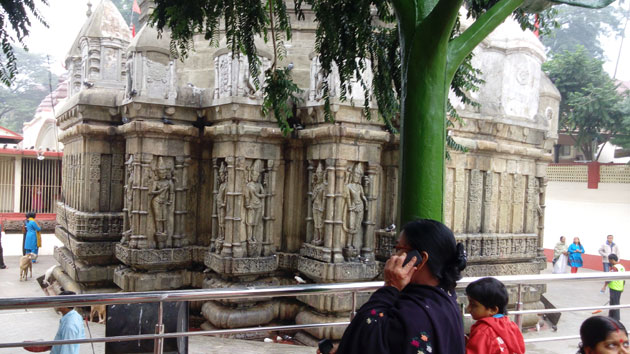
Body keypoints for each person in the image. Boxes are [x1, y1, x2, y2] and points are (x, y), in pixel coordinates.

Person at [332, 219, 468, 354]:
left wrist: (391, 285)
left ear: (419, 259)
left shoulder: (411, 315)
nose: (393, 256)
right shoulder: (446, 300)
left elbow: (366, 332)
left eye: (398, 249)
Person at [465, 277, 525, 354]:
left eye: (473, 305)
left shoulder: (483, 331)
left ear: (493, 310)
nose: (468, 308)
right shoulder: (511, 325)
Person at [607, 254, 625, 321]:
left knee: (614, 303)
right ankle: (611, 316)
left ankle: (615, 318)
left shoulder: (614, 268)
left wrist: (605, 285)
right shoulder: (621, 267)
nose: (609, 261)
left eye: (609, 260)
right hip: (619, 287)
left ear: (612, 260)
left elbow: (610, 277)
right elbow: (624, 278)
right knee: (614, 302)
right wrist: (622, 287)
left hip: (614, 287)